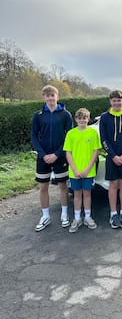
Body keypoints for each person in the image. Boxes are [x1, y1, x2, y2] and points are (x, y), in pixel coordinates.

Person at [31, 84, 73, 232]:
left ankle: (64, 214)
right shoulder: (38, 115)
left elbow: (69, 137)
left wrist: (56, 154)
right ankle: (45, 216)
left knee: (62, 186)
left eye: (52, 95)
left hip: (59, 156)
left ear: (57, 96)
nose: (50, 98)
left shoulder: (65, 114)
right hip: (43, 157)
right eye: (47, 95)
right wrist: (43, 154)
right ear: (44, 98)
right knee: (43, 187)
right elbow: (34, 136)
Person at [100, 90, 122, 229]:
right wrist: (113, 155)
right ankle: (113, 214)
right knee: (113, 185)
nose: (116, 103)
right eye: (114, 100)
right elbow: (103, 139)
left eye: (119, 100)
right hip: (112, 157)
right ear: (110, 101)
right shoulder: (105, 117)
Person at [63, 108, 100, 233]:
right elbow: (68, 152)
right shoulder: (71, 133)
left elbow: (96, 151)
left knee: (87, 193)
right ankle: (77, 218)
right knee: (77, 194)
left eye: (84, 118)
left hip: (88, 171)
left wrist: (88, 168)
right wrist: (74, 169)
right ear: (76, 119)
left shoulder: (93, 133)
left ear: (88, 119)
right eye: (79, 118)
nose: (82, 120)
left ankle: (88, 217)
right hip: (75, 172)